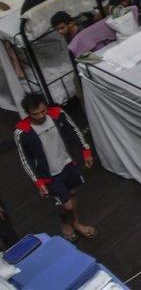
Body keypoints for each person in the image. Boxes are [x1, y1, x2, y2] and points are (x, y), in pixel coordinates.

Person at [15, 93, 96, 242]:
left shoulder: (58, 113)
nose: (40, 116)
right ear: (27, 114)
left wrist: (86, 151)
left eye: (43, 111)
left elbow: (75, 131)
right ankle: (65, 224)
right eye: (35, 114)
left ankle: (76, 223)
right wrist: (38, 182)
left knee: (72, 194)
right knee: (67, 205)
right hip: (50, 175)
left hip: (68, 164)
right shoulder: (21, 132)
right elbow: (25, 159)